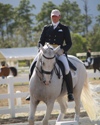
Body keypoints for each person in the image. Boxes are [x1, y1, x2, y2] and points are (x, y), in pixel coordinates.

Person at [26, 9, 74, 101]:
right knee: (33, 65)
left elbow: (69, 43)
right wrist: (40, 49)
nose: (54, 18)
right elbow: (40, 41)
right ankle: (30, 92)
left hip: (58, 51)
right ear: (51, 17)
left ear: (59, 17)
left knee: (67, 69)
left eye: (56, 16)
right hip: (46, 52)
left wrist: (63, 50)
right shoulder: (46, 28)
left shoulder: (64, 28)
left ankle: (70, 93)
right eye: (53, 16)